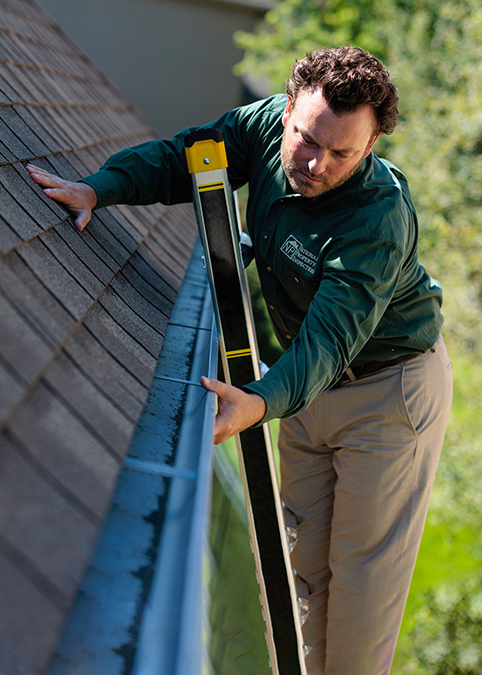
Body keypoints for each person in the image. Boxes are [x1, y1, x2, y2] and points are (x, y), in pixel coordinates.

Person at [27, 46, 453, 675]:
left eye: (343, 154)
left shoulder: (377, 216)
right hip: (301, 387)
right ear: (286, 111)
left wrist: (258, 400)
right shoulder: (258, 130)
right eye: (307, 140)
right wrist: (100, 188)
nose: (316, 163)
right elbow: (183, 161)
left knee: (360, 591)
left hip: (387, 396)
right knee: (297, 571)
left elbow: (331, 341)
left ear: (370, 148)